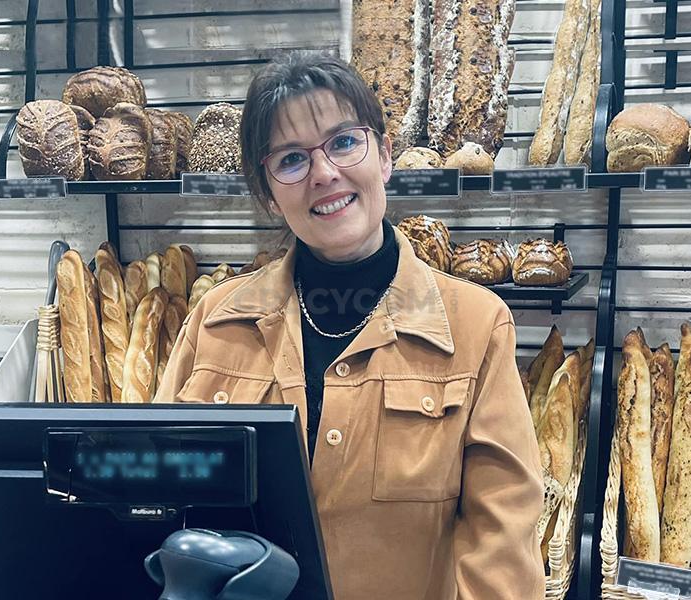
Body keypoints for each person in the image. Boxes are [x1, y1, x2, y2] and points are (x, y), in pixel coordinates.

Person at [156, 53, 545, 600]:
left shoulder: (477, 328)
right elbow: (158, 504)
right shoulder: (217, 323)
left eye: (343, 142)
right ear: (269, 193)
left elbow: (502, 553)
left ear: (384, 156)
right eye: (291, 160)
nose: (324, 173)